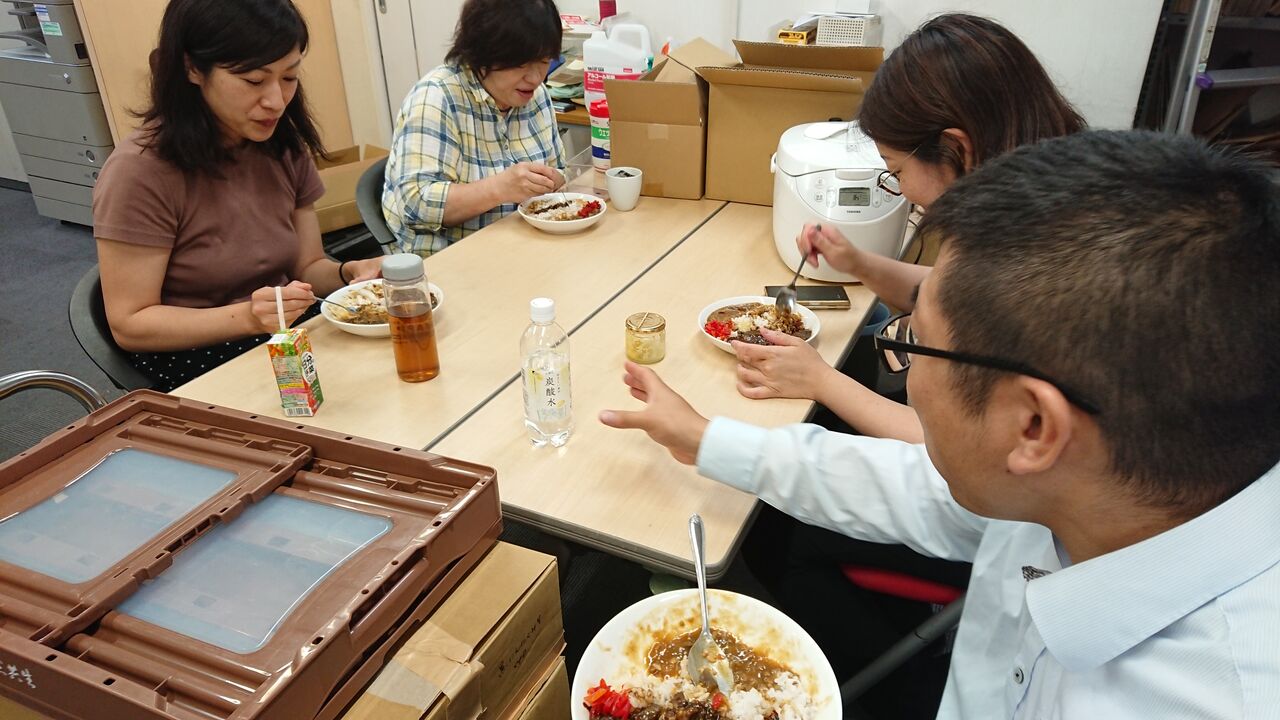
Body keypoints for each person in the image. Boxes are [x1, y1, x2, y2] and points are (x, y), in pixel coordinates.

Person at [601, 130, 1280, 718]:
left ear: (1034, 426)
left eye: (919, 343)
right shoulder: (1092, 489)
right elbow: (908, 484)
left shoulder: (1212, 695)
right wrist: (703, 439)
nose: (908, 372)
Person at [734, 13, 1085, 443]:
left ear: (955, 148)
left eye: (896, 171)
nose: (902, 190)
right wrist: (857, 262)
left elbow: (955, 448)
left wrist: (821, 381)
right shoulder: (1037, 209)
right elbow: (950, 291)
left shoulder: (1040, 275)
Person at [92, 0, 381, 392]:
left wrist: (351, 274)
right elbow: (130, 324)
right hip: (198, 361)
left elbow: (308, 266)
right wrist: (248, 317)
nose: (276, 100)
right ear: (193, 69)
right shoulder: (140, 171)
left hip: (280, 337)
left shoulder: (281, 145)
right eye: (253, 81)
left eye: (290, 77)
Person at [382, 0, 567, 257]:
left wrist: (555, 180)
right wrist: (499, 188)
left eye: (544, 61)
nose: (535, 78)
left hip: (523, 247)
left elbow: (559, 170)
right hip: (449, 257)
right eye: (521, 64)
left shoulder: (536, 95)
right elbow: (416, 205)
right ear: (483, 52)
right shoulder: (437, 97)